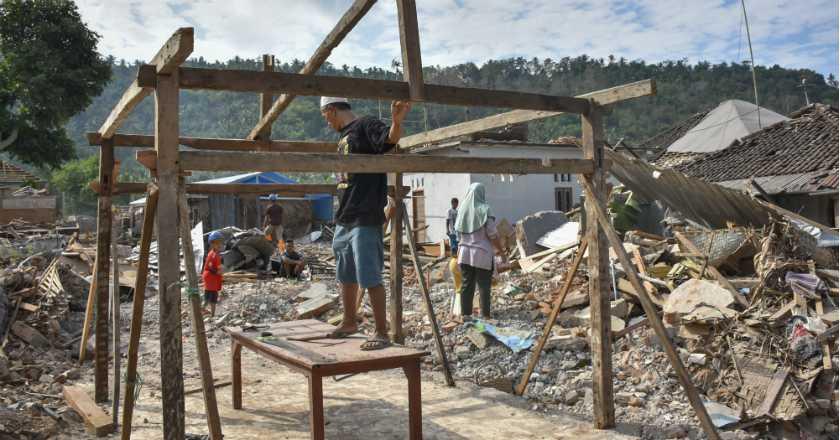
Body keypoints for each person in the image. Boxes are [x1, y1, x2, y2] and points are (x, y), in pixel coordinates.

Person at [321, 96, 411, 350]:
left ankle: (382, 331)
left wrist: (396, 121)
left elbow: (390, 139)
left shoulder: (365, 125)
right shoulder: (343, 138)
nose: (326, 122)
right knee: (345, 274)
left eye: (325, 117)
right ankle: (350, 321)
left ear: (331, 110)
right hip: (345, 216)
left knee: (370, 275)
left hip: (365, 214)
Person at [455, 183, 506, 320]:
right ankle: (485, 315)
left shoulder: (461, 210)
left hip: (464, 253)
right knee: (484, 284)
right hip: (481, 254)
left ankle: (465, 315)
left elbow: (457, 233)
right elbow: (493, 234)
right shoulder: (485, 209)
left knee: (467, 284)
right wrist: (501, 251)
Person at [202, 230, 225, 317]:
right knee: (213, 298)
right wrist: (222, 271)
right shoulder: (215, 255)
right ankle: (212, 315)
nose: (219, 245)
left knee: (208, 296)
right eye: (216, 243)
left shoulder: (211, 253)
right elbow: (217, 270)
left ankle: (203, 310)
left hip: (209, 277)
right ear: (212, 244)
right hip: (211, 278)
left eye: (220, 242)